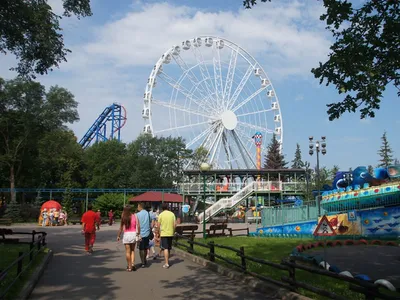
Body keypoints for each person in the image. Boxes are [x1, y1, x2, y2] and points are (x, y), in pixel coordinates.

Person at [117, 206, 140, 272]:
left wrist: (118, 236)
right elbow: (138, 225)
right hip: (133, 234)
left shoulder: (123, 217)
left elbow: (121, 228)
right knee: (132, 250)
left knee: (127, 251)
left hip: (126, 235)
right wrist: (138, 234)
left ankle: (129, 266)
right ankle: (132, 264)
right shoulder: (135, 216)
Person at [158, 202, 176, 269]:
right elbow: (174, 224)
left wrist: (158, 232)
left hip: (164, 233)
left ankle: (166, 263)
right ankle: (167, 260)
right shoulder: (172, 214)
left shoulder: (161, 215)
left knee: (165, 248)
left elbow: (158, 225)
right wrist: (173, 230)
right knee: (168, 248)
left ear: (162, 208)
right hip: (170, 233)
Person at [136, 203, 153, 268]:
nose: (137, 208)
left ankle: (142, 262)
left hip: (140, 234)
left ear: (140, 207)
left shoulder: (137, 215)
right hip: (147, 233)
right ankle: (145, 260)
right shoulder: (148, 214)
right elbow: (151, 221)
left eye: (138, 206)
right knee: (146, 247)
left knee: (141, 248)